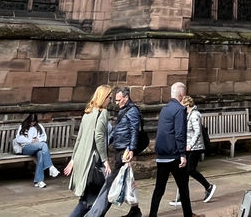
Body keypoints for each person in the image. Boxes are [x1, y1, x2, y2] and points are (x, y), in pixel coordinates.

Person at [145, 82, 204, 217]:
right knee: (183, 188)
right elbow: (179, 133)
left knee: (159, 188)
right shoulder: (179, 110)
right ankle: (188, 214)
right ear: (182, 94)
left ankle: (152, 214)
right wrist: (182, 154)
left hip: (162, 154)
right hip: (175, 155)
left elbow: (162, 132)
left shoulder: (164, 109)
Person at [91, 86, 142, 217]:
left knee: (111, 182)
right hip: (119, 148)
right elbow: (117, 130)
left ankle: (98, 213)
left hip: (124, 151)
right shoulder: (123, 110)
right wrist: (107, 143)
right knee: (125, 180)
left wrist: (131, 149)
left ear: (126, 98)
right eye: (116, 100)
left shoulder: (132, 111)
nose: (117, 103)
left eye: (119, 100)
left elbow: (135, 131)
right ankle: (135, 210)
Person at [63, 85, 113, 217]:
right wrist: (105, 160)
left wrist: (74, 159)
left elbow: (79, 138)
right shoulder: (103, 113)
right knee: (91, 200)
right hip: (92, 162)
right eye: (109, 97)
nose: (111, 100)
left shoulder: (88, 112)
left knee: (89, 198)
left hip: (81, 160)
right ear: (104, 97)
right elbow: (99, 137)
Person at [169, 96, 216, 207]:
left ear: (186, 105)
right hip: (188, 147)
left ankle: (208, 187)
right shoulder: (187, 115)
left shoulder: (194, 115)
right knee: (183, 172)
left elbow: (197, 132)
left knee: (190, 170)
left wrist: (190, 145)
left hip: (195, 148)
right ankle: (182, 196)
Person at [13, 112, 60, 188]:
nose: (32, 123)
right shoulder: (23, 126)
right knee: (44, 145)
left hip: (37, 147)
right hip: (26, 148)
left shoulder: (39, 126)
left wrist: (38, 140)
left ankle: (39, 181)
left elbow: (44, 137)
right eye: (31, 122)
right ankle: (50, 166)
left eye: (34, 122)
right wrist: (30, 141)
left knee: (41, 154)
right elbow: (18, 138)